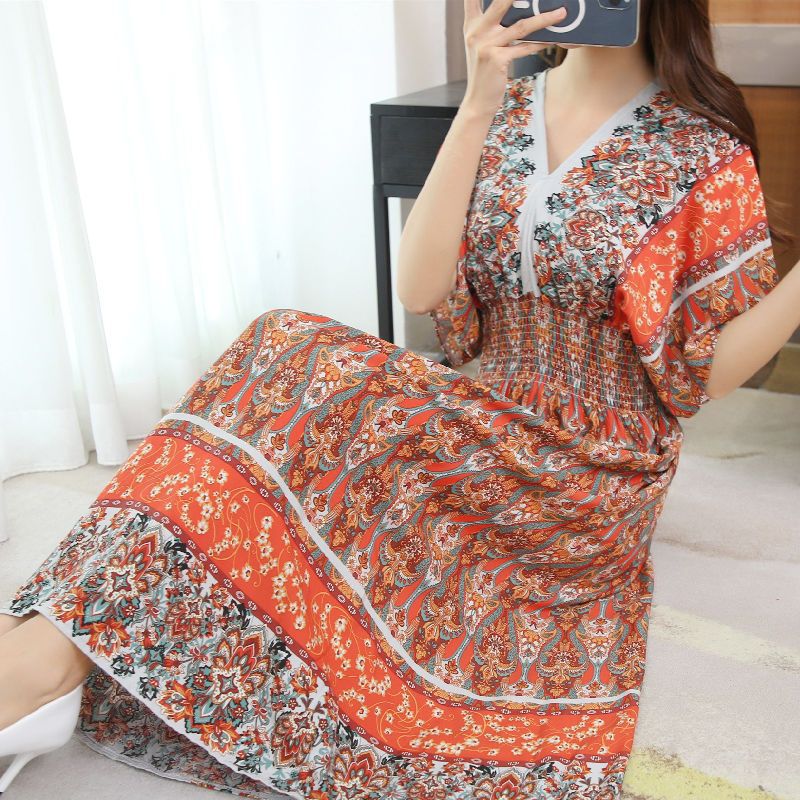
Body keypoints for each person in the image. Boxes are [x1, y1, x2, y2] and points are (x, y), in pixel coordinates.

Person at [1, 0, 798, 797]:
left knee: (302, 357)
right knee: (283, 378)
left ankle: (38, 665)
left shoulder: (701, 148)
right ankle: (49, 648)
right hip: (480, 413)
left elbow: (707, 375)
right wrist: (479, 101)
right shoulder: (507, 108)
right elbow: (421, 289)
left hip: (589, 469)